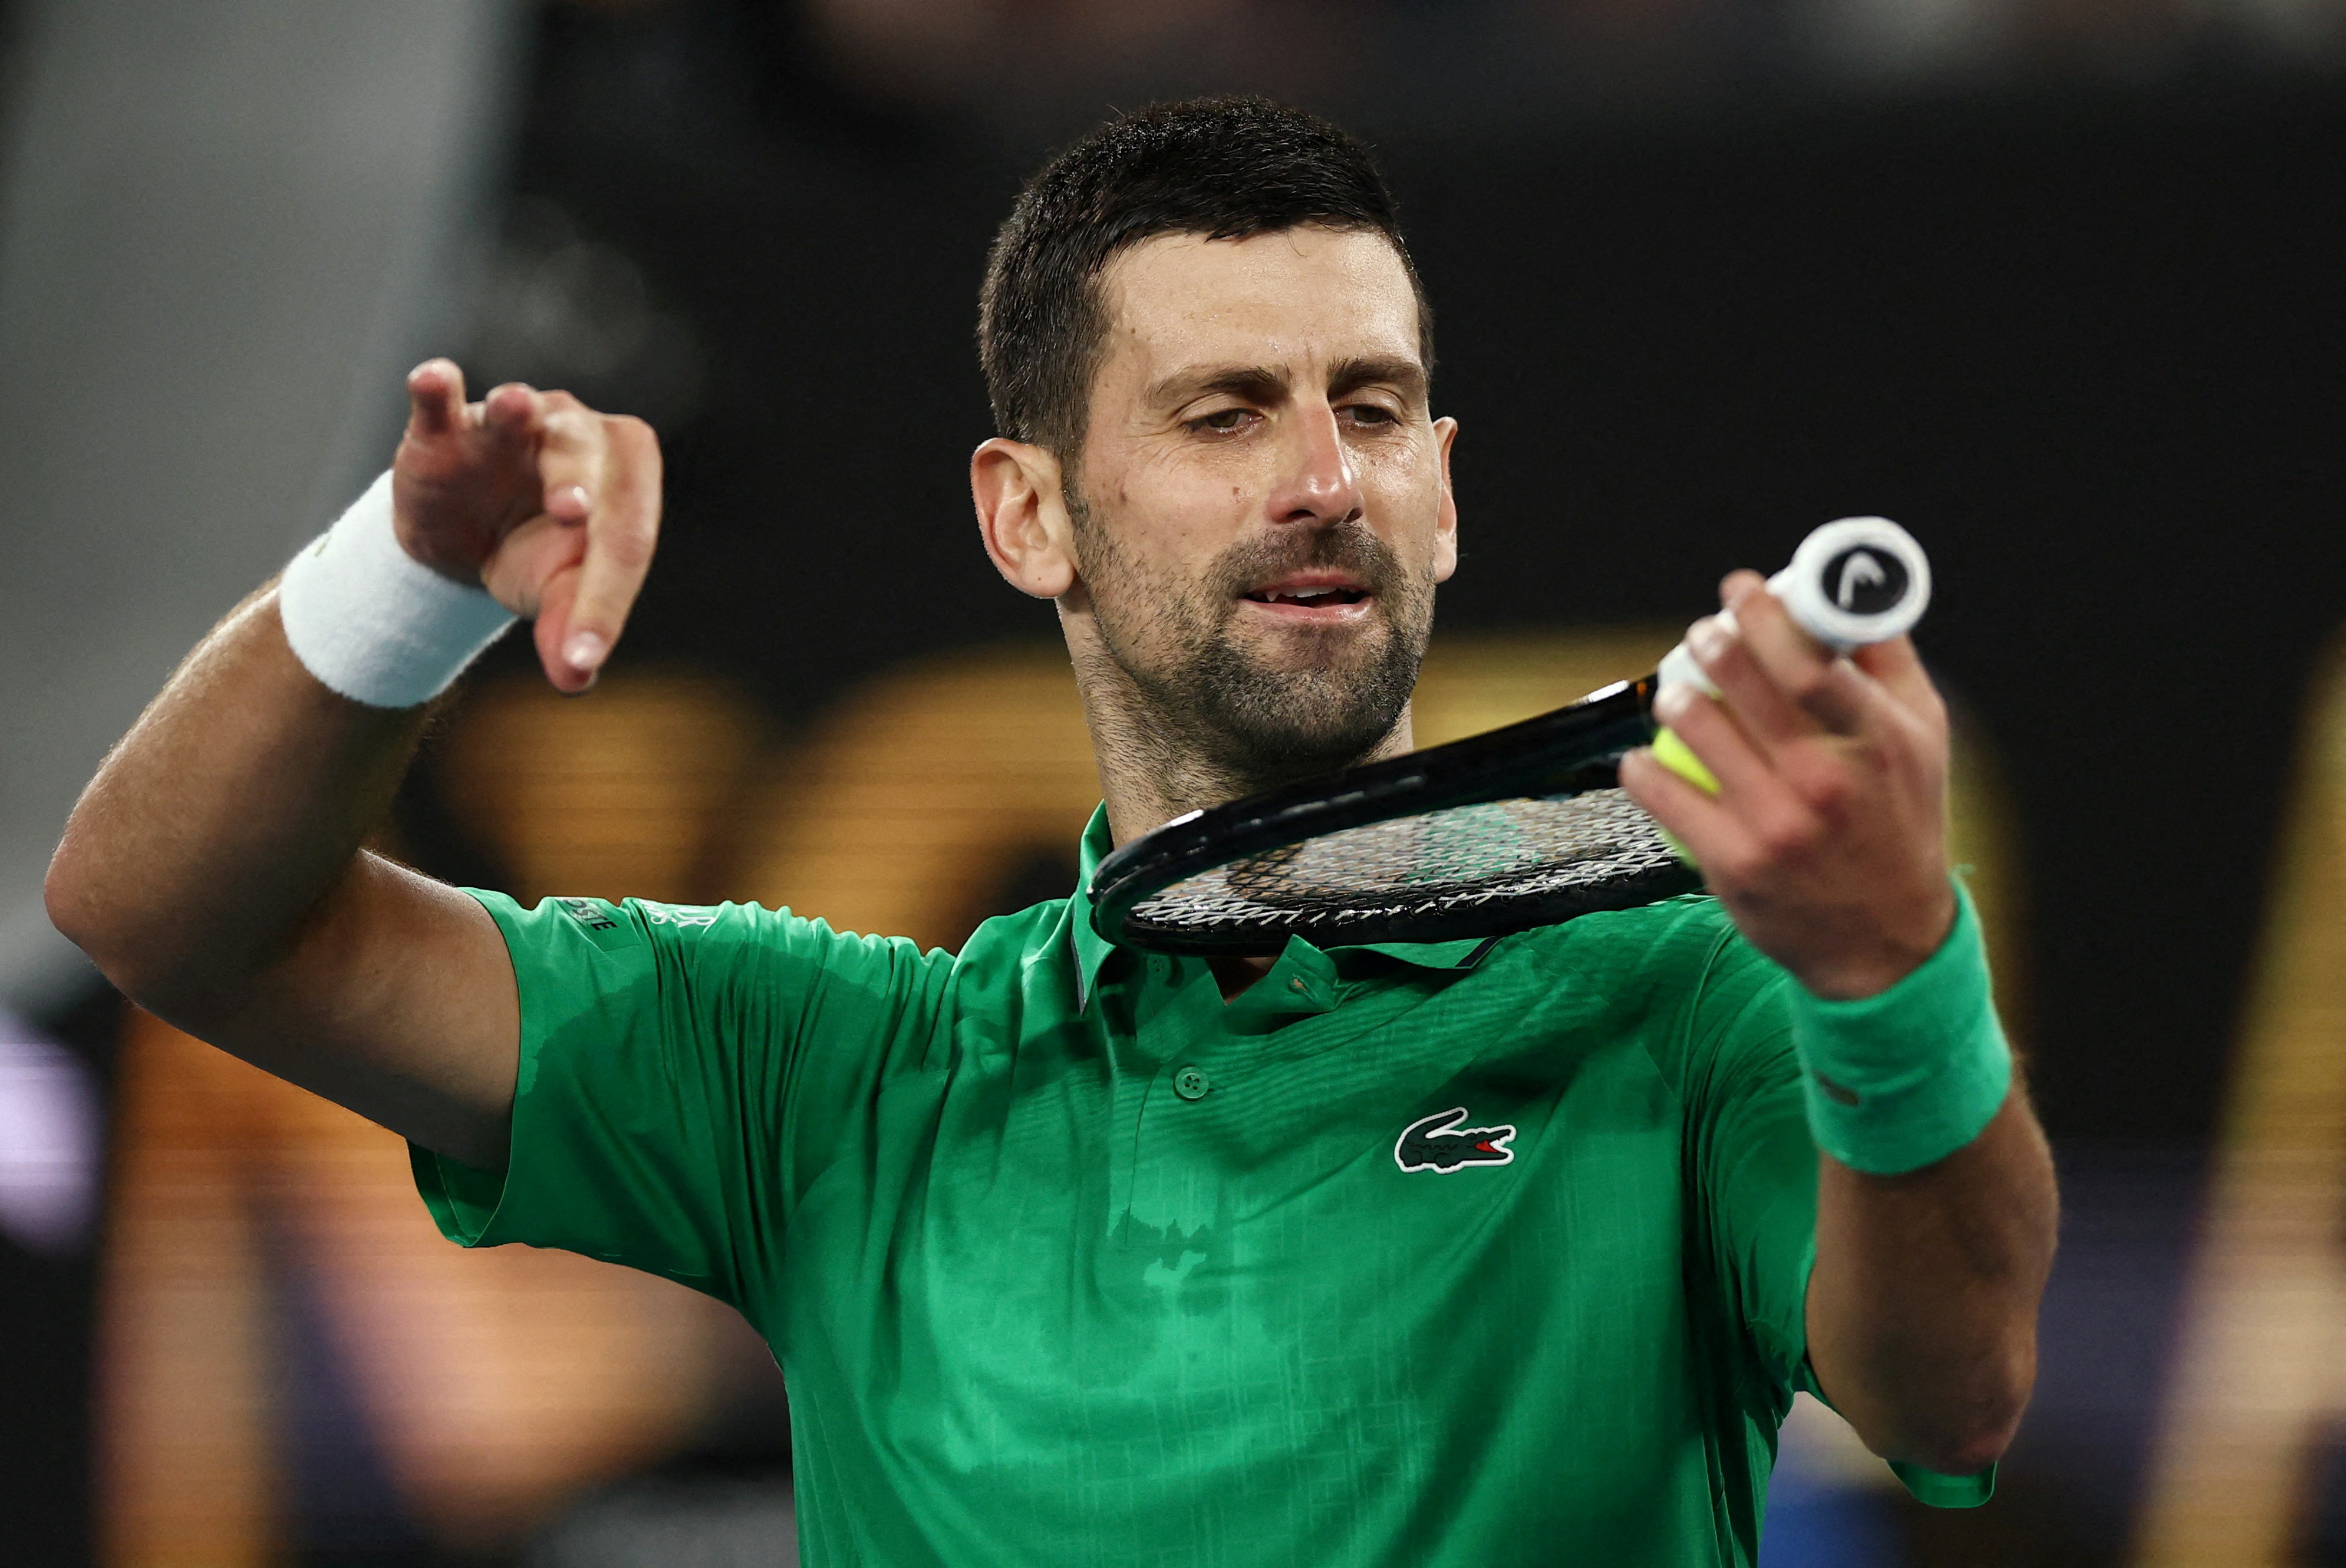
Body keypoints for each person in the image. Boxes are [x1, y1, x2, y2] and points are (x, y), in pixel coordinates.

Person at [48, 97, 2057, 1565]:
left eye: (1371, 408)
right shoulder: (836, 1076)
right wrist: (408, 577)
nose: (1321, 478)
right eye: (1222, 413)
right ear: (1028, 515)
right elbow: (163, 913)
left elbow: (1952, 1390)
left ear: (1444, 490)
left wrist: (1889, 977)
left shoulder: (1681, 1001)